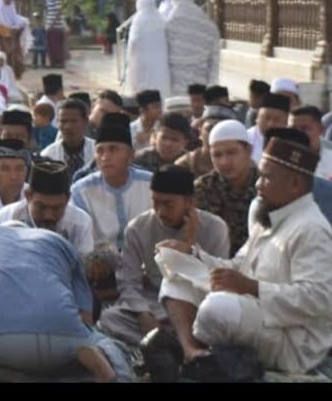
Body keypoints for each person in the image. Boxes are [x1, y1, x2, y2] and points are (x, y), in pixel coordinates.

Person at [157, 134, 332, 376]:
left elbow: (320, 299)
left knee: (217, 309)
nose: (258, 184)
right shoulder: (269, 215)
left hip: (292, 338)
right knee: (176, 272)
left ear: (294, 184)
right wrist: (193, 254)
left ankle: (190, 349)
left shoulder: (311, 228)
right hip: (253, 308)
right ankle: (191, 352)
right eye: (259, 175)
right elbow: (239, 265)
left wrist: (251, 287)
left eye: (267, 177)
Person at [0, 222, 131, 383]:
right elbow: (86, 317)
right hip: (60, 337)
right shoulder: (57, 241)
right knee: (102, 344)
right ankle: (109, 372)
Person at [97, 166, 229, 346]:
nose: (160, 211)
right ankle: (175, 344)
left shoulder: (215, 228)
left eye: (168, 204)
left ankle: (167, 344)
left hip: (197, 304)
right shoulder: (138, 228)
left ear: (189, 202)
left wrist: (189, 245)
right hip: (154, 304)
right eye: (155, 202)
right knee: (110, 318)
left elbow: (216, 282)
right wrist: (143, 314)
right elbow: (128, 282)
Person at [70, 112, 153, 251]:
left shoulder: (150, 184)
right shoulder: (81, 191)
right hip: (99, 260)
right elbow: (81, 239)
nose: (105, 157)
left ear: (131, 155)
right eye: (100, 151)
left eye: (113, 149)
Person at [0, 159, 94, 255]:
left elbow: (83, 265)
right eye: (41, 207)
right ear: (28, 196)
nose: (48, 216)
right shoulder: (4, 219)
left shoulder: (80, 223)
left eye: (56, 208)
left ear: (67, 199)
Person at [192, 119, 258, 256]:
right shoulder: (202, 189)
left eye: (231, 153)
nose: (224, 162)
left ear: (248, 150)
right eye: (217, 155)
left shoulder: (267, 186)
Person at [165, 0, 221, 95]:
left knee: (180, 102)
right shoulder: (208, 24)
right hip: (200, 76)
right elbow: (215, 59)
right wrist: (213, 84)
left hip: (177, 77)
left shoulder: (169, 23)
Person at [125, 0, 170, 99]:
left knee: (143, 84)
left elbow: (133, 41)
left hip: (142, 59)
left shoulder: (138, 19)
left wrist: (129, 57)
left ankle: (146, 104)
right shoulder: (160, 18)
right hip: (160, 60)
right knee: (159, 82)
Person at [0, 0, 30, 80]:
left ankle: (12, 79)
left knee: (13, 59)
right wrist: (8, 31)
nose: (8, 0)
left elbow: (16, 20)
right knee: (2, 59)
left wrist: (19, 27)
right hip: (0, 40)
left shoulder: (11, 9)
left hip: (13, 41)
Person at [41, 0, 67, 68]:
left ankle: (59, 62)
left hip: (55, 26)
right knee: (50, 46)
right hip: (49, 26)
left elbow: (59, 11)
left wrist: (52, 24)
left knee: (56, 46)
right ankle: (53, 62)